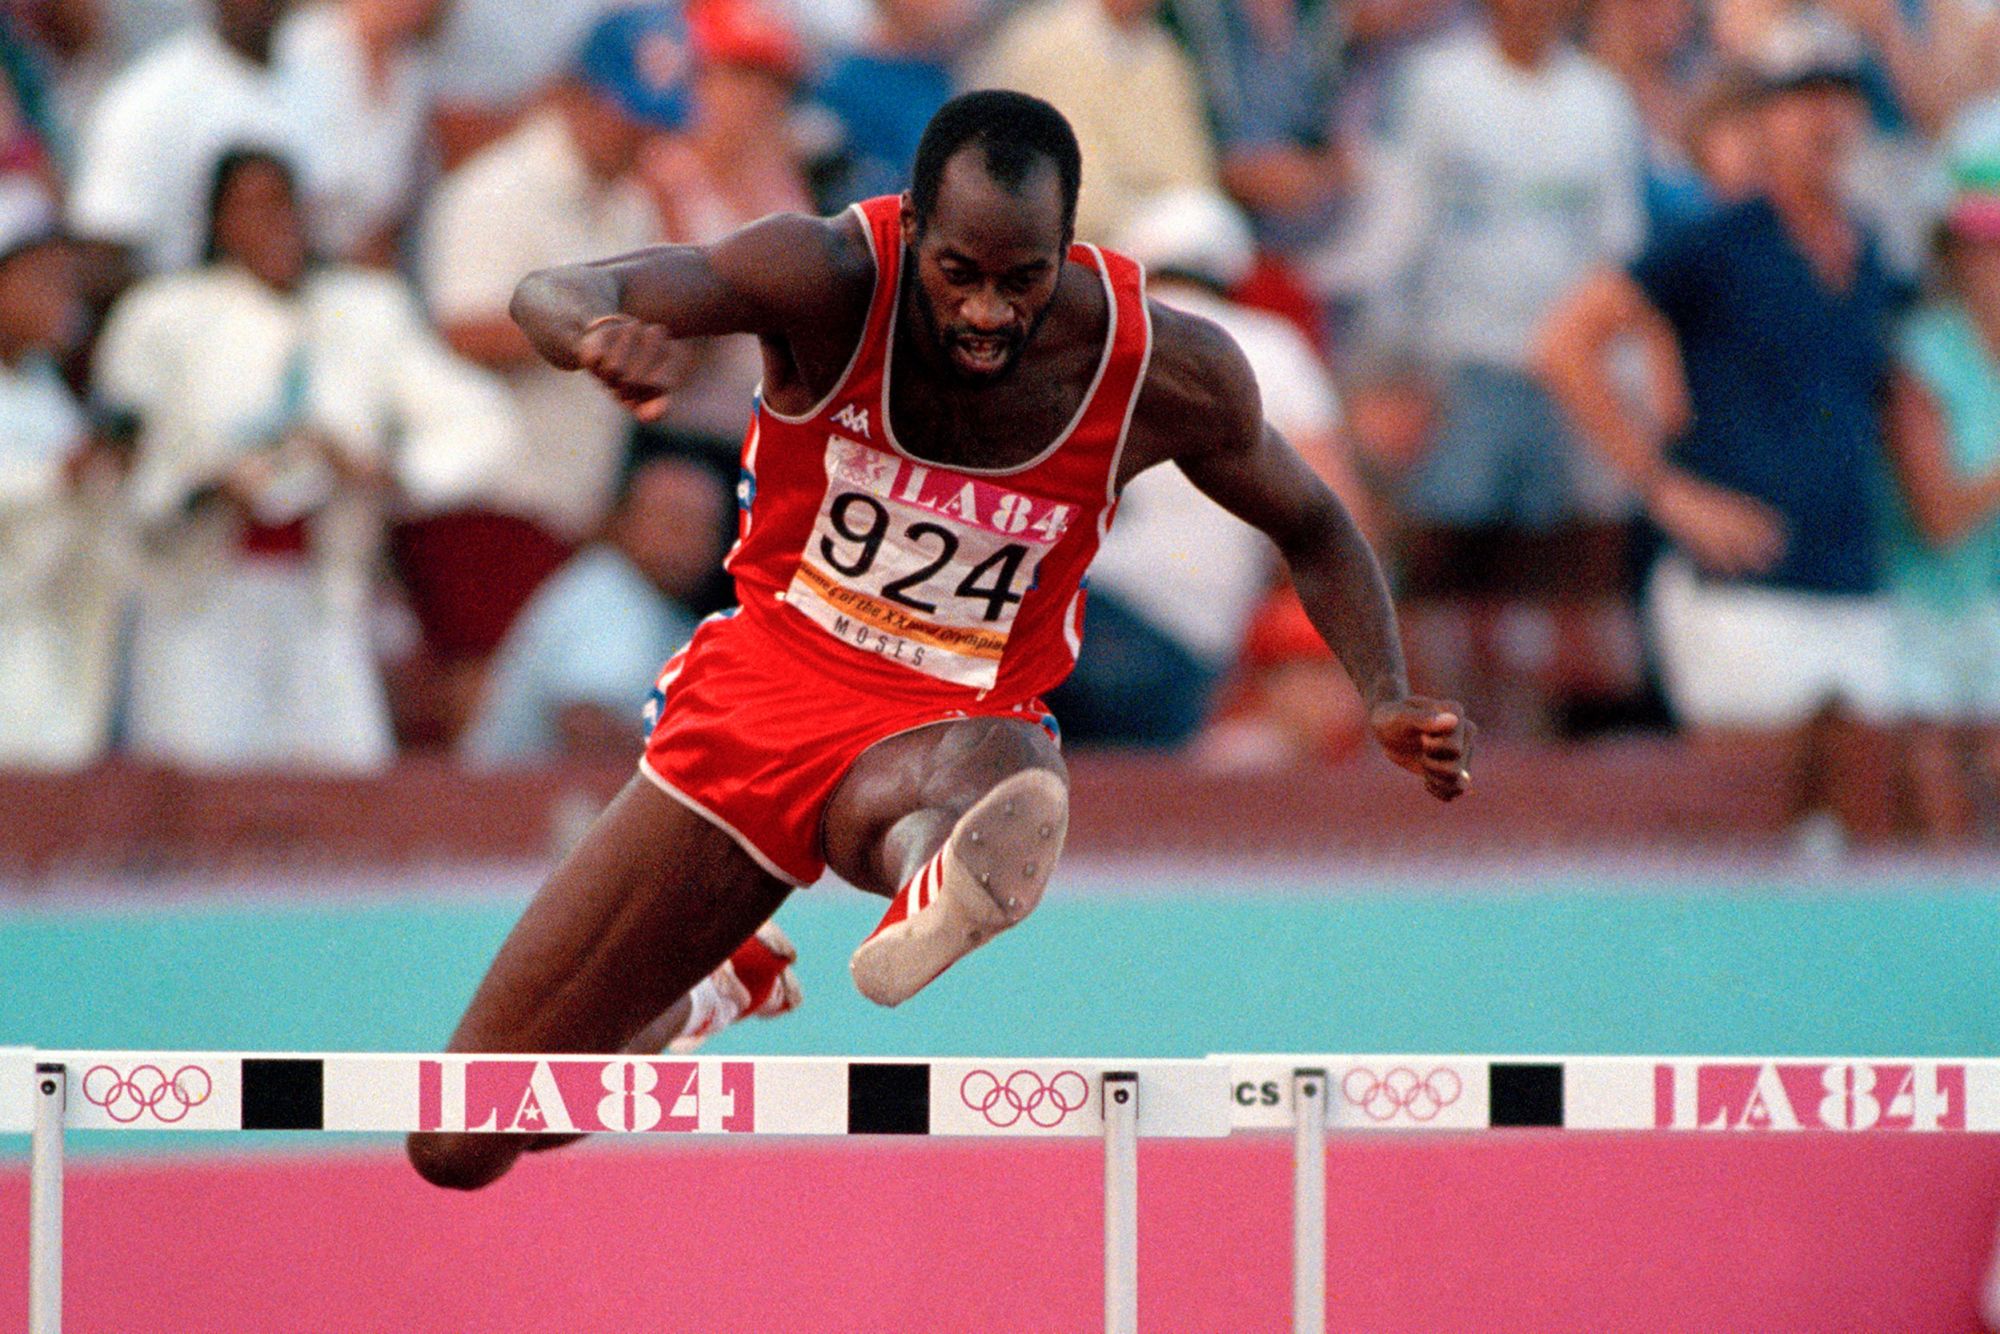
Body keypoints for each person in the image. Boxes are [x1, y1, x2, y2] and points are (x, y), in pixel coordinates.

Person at [406, 90, 1472, 1191]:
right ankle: (707, 986)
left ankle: (938, 874)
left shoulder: (1162, 368)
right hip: (761, 693)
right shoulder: (819, 276)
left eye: (1023, 280)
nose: (985, 311)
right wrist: (591, 328)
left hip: (949, 719)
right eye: (957, 271)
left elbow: (1312, 520)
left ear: (1069, 249)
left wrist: (1383, 689)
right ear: (910, 225)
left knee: (999, 778)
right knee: (461, 1140)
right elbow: (556, 287)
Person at [1534, 44, 1904, 843]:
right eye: (1805, 96)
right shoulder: (1716, 243)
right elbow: (1564, 344)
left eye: (1844, 98)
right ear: (1763, 120)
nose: (1829, 117)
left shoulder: (1873, 251)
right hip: (1744, 588)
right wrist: (1669, 492)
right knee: (1746, 822)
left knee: (1865, 826)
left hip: (1852, 578)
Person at [96, 149, 517, 772]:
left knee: (343, 780)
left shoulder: (366, 309)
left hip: (323, 596)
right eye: (247, 207)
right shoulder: (164, 314)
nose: (270, 223)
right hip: (197, 596)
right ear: (215, 221)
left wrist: (387, 469)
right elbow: (121, 454)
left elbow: (481, 420)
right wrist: (205, 486)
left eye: (282, 204)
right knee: (201, 785)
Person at [460, 453, 729, 766]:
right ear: (622, 522)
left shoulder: (666, 611)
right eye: (673, 520)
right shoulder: (608, 594)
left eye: (705, 527)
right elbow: (588, 727)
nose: (688, 540)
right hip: (509, 806)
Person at [1880, 169, 2000, 841]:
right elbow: (1940, 518)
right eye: (1982, 247)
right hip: (1922, 610)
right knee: (1936, 791)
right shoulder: (1926, 354)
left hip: (1990, 602)